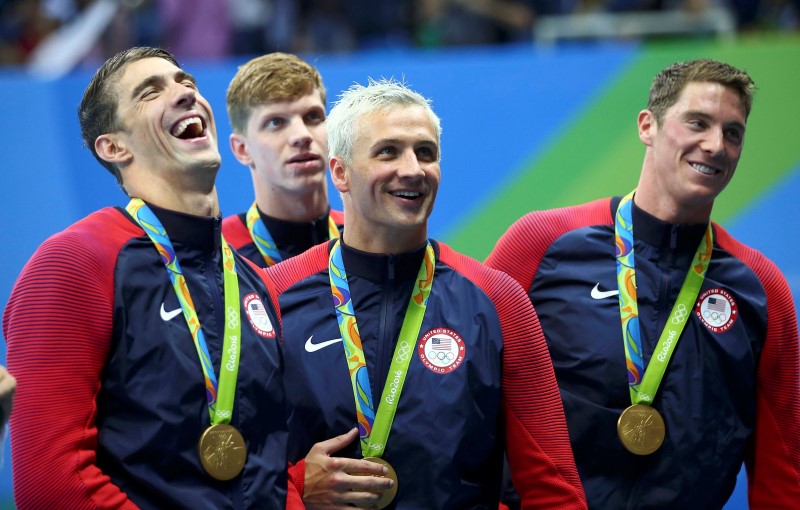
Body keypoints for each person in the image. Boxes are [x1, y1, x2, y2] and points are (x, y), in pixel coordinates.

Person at [486, 59, 800, 508]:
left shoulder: (760, 288)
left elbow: (783, 466)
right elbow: (466, 395)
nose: (716, 145)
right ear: (647, 126)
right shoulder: (540, 244)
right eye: (698, 123)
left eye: (733, 132)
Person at [266, 78, 587, 509]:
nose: (413, 169)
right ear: (340, 172)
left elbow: (553, 486)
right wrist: (297, 488)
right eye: (388, 151)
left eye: (426, 152)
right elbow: (226, 468)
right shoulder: (273, 297)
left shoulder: (498, 299)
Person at [3, 47, 301, 508]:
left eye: (186, 82)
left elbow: (271, 458)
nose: (185, 94)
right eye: (151, 92)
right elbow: (51, 483)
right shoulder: (76, 262)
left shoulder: (248, 280)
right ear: (114, 147)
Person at [223, 52, 343, 267]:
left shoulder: (367, 238)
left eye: (313, 117)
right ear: (242, 149)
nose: (302, 135)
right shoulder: (219, 253)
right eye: (275, 122)